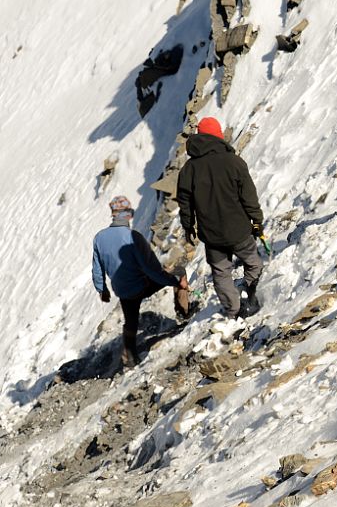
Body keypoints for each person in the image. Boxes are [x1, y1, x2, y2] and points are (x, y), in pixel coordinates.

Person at [176, 117, 266, 319]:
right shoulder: (234, 162)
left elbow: (185, 203)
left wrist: (188, 226)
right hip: (239, 230)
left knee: (221, 273)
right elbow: (248, 196)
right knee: (253, 263)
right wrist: (257, 220)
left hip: (212, 235)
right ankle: (249, 292)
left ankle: (232, 310)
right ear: (218, 135)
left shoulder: (188, 170)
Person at [92, 195, 190, 368]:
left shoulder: (99, 238)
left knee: (131, 320)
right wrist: (174, 281)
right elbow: (151, 269)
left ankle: (129, 356)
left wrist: (102, 289)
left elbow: (97, 268)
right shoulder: (133, 237)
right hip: (140, 286)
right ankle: (184, 314)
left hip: (121, 289)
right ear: (128, 215)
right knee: (179, 271)